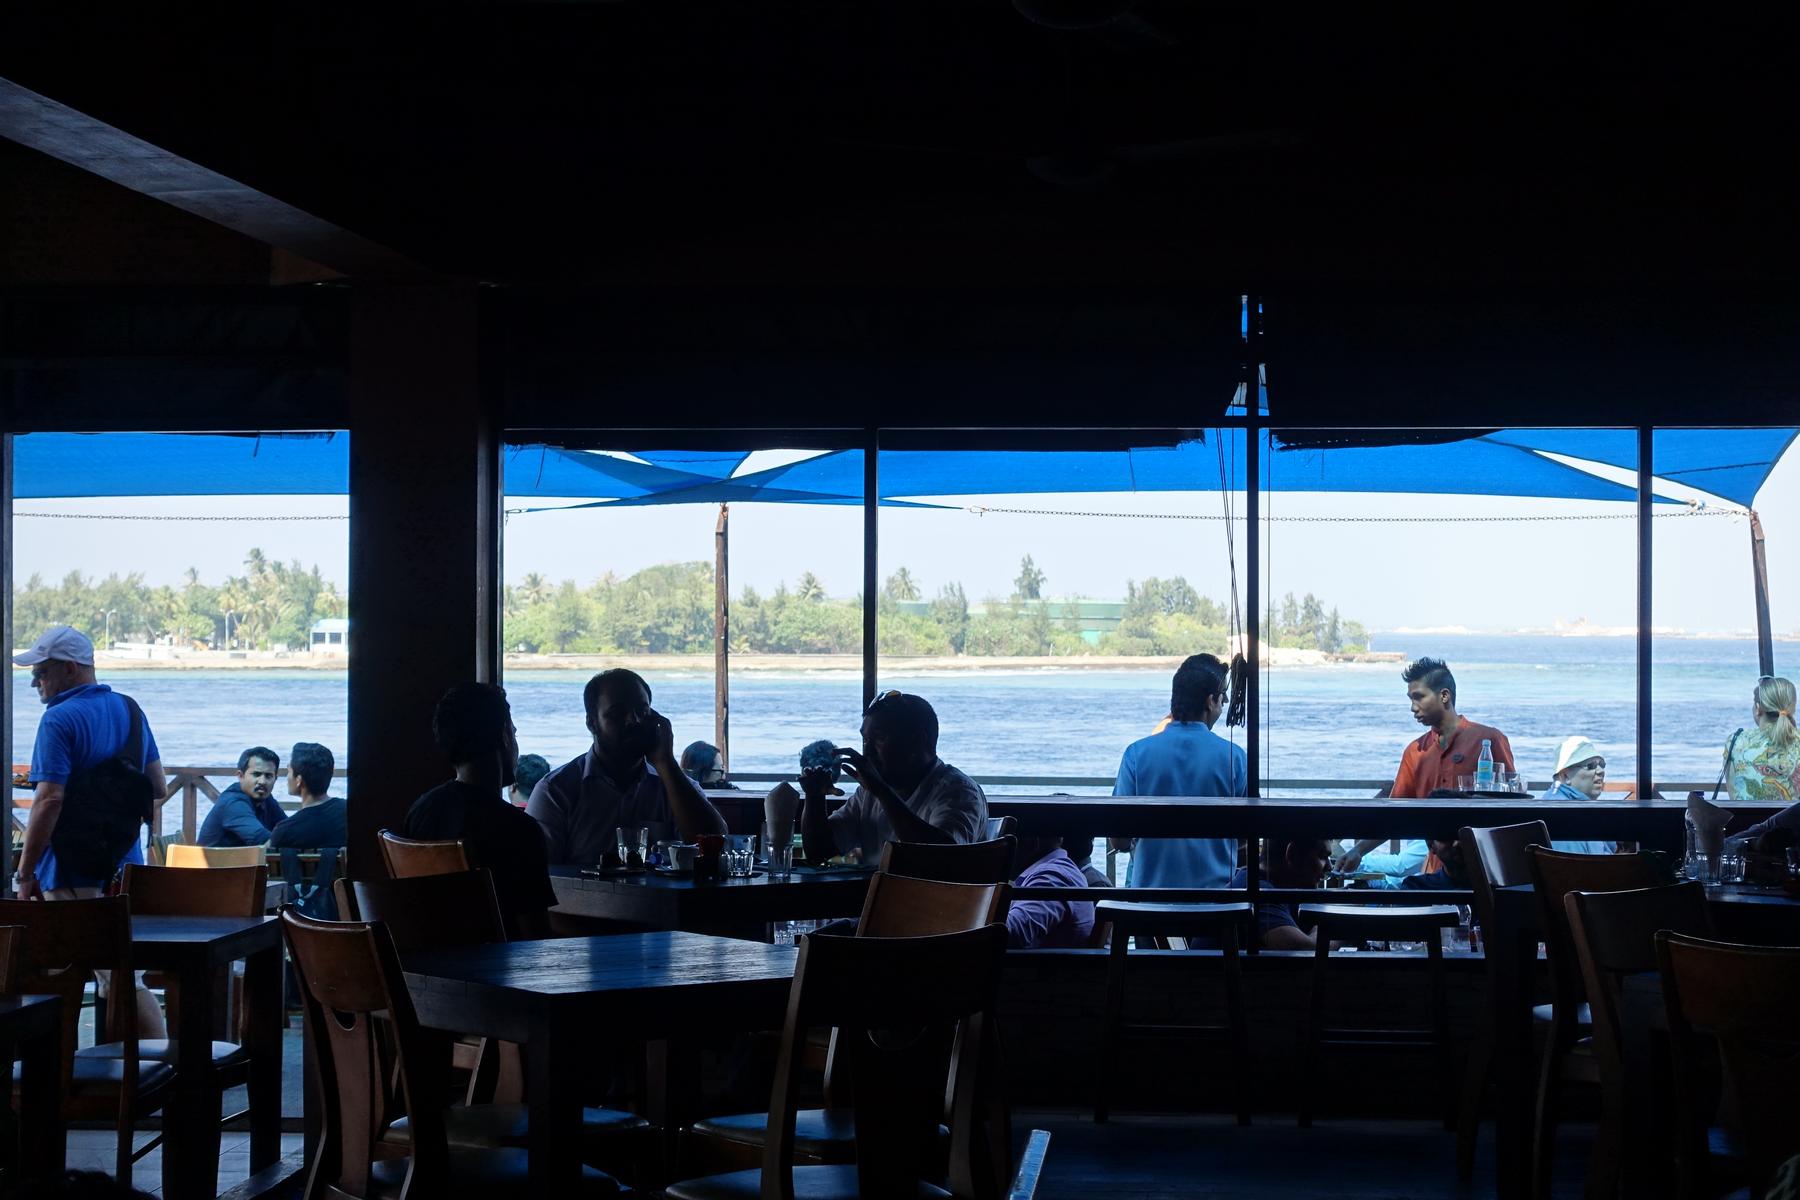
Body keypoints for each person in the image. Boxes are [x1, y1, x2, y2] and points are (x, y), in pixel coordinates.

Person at [11, 624, 168, 1038]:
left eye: (41, 672)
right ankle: (132, 1077)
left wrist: (25, 873)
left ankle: (149, 1074)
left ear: (69, 669)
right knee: (115, 973)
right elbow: (158, 787)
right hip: (124, 867)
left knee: (103, 977)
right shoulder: (130, 710)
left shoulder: (58, 719)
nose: (34, 681)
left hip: (71, 869)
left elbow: (49, 800)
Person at [1339, 657, 1516, 879]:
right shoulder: (1414, 752)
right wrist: (1358, 851)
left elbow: (1512, 805)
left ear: (1444, 696)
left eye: (1419, 697)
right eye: (1411, 699)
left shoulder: (1488, 740)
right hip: (1437, 873)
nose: (1413, 707)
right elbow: (1395, 814)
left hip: (1486, 870)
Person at [528, 669, 726, 865]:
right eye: (618, 713)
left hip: (660, 898)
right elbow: (537, 875)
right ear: (592, 723)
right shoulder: (556, 791)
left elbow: (717, 845)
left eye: (642, 711)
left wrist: (666, 762)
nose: (634, 720)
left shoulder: (673, 784)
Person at [407, 683, 558, 939]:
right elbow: (535, 938)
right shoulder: (517, 830)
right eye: (514, 732)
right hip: (498, 972)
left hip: (432, 967)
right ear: (504, 736)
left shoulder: (422, 811)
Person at [799, 690, 988, 864]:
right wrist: (815, 796)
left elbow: (942, 860)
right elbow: (819, 851)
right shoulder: (868, 793)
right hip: (880, 899)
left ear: (917, 741)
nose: (867, 751)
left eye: (879, 738)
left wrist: (882, 792)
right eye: (865, 740)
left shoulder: (959, 791)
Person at [1109, 654, 1244, 888]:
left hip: (1150, 906)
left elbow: (1118, 840)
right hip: (1218, 907)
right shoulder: (1235, 758)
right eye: (1223, 699)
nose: (1222, 705)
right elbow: (1246, 835)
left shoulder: (1136, 754)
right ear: (1210, 701)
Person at [1727, 677, 1800, 847]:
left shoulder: (1736, 742)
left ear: (1758, 708)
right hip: (1793, 840)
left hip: (1744, 837)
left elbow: (1733, 794)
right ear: (1792, 707)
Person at [1226, 837, 1334, 950]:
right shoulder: (1260, 893)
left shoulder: (1279, 888)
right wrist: (1342, 929)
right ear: (1293, 854)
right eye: (1322, 856)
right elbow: (1305, 951)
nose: (1330, 867)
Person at [1005, 834, 1094, 949]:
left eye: (1006, 839)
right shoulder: (1056, 871)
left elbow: (1011, 933)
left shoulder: (1051, 876)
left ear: (1033, 841)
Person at [1540, 735, 1617, 854]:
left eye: (1601, 764)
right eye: (1591, 766)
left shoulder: (1560, 801)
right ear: (1565, 775)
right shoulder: (1566, 815)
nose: (1601, 771)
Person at [197, 746, 285, 847]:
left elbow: (287, 828)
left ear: (275, 778)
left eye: (268, 776)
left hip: (239, 861)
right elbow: (264, 840)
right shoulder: (234, 802)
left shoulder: (266, 799)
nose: (262, 781)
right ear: (240, 776)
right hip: (213, 862)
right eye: (256, 774)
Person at [267, 742, 346, 849]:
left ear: (299, 781)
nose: (287, 776)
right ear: (331, 772)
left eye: (289, 771)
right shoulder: (350, 812)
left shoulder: (285, 832)